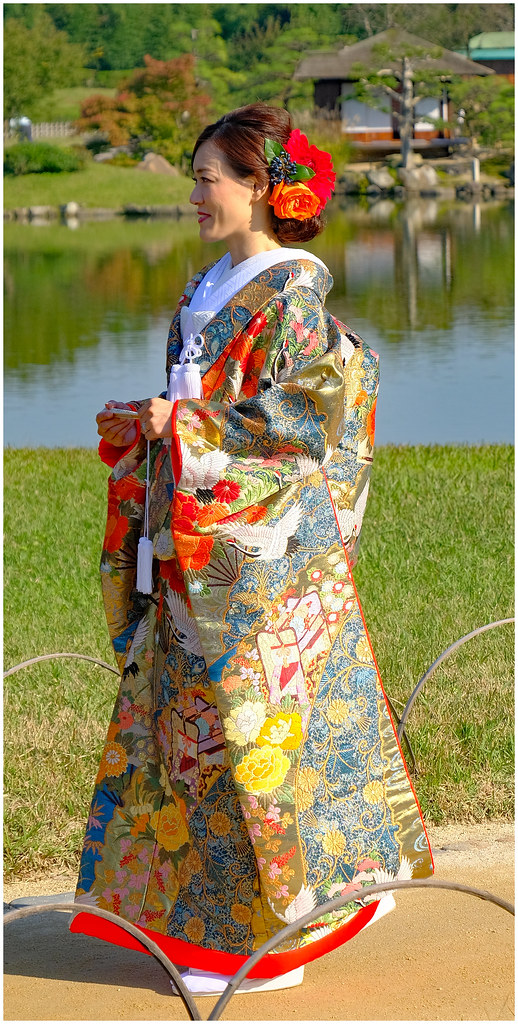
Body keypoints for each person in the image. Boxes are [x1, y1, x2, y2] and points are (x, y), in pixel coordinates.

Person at [72, 103, 433, 996]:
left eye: (209, 179)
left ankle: (267, 943)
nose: (195, 194)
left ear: (264, 190)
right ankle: (206, 927)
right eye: (195, 176)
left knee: (252, 748)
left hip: (255, 565)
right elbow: (217, 413)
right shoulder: (211, 291)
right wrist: (162, 430)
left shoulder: (291, 299)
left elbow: (302, 428)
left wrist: (184, 426)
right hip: (189, 545)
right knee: (190, 744)